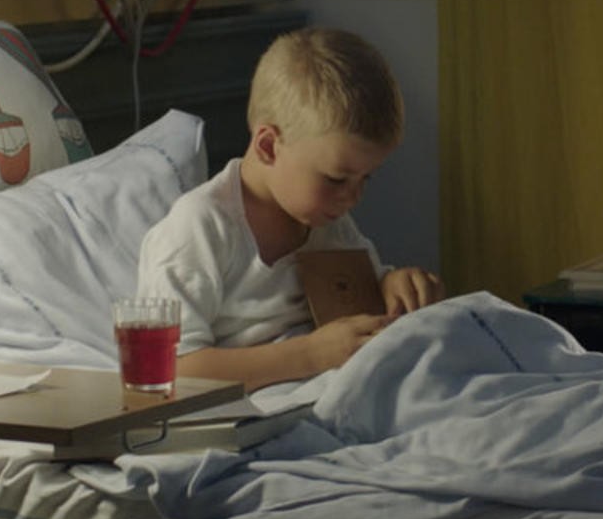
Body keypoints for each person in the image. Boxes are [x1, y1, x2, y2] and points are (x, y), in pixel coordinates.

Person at [137, 27, 443, 392]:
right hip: (263, 406)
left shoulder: (326, 221)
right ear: (268, 146)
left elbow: (360, 306)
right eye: (336, 179)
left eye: (366, 178)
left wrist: (391, 286)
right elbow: (171, 369)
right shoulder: (201, 227)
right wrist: (311, 355)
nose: (353, 197)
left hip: (336, 390)